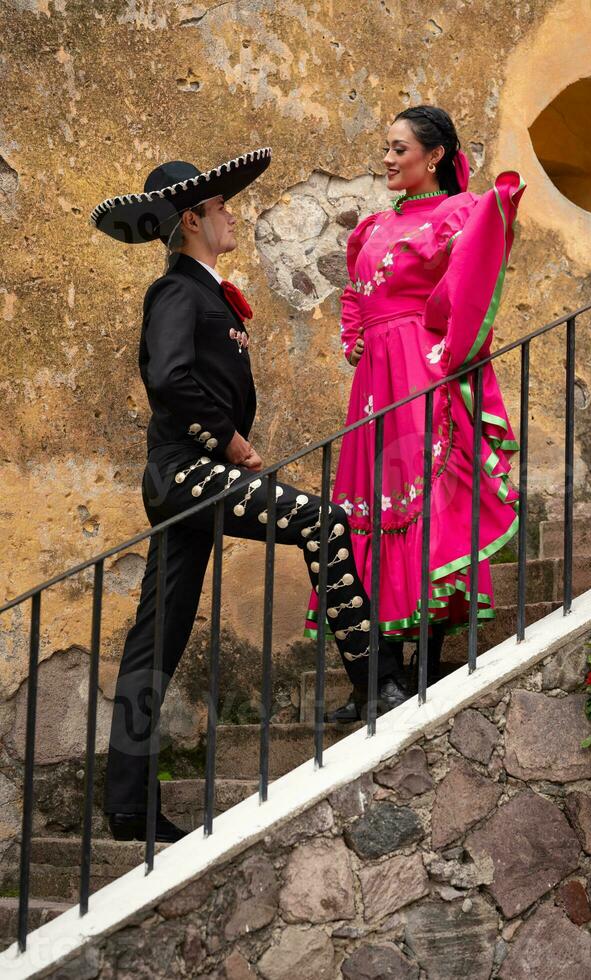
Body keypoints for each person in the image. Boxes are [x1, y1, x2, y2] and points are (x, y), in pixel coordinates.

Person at [90, 149, 411, 843]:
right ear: (194, 220)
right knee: (321, 521)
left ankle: (126, 804)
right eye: (222, 207)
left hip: (189, 479)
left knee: (158, 639)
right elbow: (169, 380)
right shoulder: (177, 291)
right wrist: (232, 445)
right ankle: (376, 680)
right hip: (186, 473)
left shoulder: (201, 291)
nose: (232, 214)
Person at [305, 106, 527, 722]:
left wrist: (444, 347)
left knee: (422, 499)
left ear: (433, 156)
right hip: (375, 378)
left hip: (419, 370)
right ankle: (382, 673)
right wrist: (355, 336)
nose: (387, 159)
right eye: (385, 148)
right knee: (370, 505)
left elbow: (471, 275)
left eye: (399, 148)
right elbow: (355, 289)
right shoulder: (372, 225)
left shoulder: (458, 212)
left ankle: (424, 660)